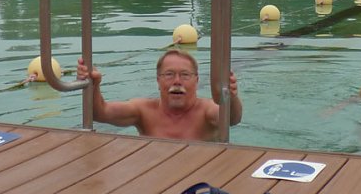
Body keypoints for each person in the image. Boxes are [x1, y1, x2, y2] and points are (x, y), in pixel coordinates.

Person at [75, 49, 242, 141]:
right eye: (169, 74)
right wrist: (94, 85)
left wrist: (231, 97)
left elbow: (231, 119)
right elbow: (99, 113)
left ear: (196, 80)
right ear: (158, 80)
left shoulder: (206, 111)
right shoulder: (143, 111)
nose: (177, 81)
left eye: (185, 75)